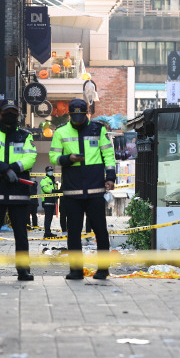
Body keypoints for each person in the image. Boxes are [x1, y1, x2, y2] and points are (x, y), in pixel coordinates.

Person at [49, 98, 116, 280]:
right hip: (72, 191)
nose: (78, 119)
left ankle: (103, 269)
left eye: (81, 115)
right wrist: (67, 158)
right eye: (74, 115)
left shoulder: (98, 129)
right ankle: (76, 270)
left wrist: (110, 177)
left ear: (87, 113)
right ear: (69, 115)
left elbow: (108, 155)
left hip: (94, 190)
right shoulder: (61, 132)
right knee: (74, 233)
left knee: (100, 230)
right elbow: (53, 156)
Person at [0, 99, 37, 281]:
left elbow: (31, 156)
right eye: (7, 112)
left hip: (18, 190)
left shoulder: (26, 136)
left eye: (13, 112)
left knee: (21, 232)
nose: (10, 115)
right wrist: (4, 169)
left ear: (18, 115)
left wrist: (14, 168)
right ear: (0, 114)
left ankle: (23, 270)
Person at [40, 166, 58, 238]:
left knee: (50, 218)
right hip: (47, 201)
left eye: (51, 170)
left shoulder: (52, 180)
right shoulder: (44, 180)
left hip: (52, 201)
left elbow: (55, 188)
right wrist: (55, 191)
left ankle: (48, 232)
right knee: (47, 218)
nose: (51, 172)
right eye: (49, 170)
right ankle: (47, 233)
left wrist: (57, 193)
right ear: (46, 172)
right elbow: (45, 189)